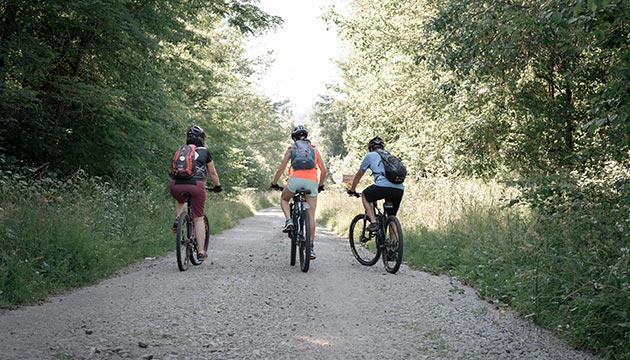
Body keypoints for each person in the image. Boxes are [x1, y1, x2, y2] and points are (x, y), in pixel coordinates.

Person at [271, 125, 327, 260]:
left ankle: (289, 220)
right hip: (312, 181)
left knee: (284, 199)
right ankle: (311, 248)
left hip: (295, 180)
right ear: (306, 137)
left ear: (294, 138)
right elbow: (324, 171)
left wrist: (274, 183)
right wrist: (319, 185)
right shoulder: (314, 149)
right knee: (311, 215)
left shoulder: (292, 149)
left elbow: (281, 169)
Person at [170, 125, 222, 261]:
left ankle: (178, 219)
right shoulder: (204, 151)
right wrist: (218, 186)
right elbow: (213, 173)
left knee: (180, 199)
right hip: (196, 185)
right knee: (198, 218)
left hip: (176, 185)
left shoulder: (181, 150)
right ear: (202, 139)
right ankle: (200, 251)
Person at [347, 136, 404, 231]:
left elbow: (358, 176)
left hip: (382, 187)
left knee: (365, 195)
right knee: (392, 217)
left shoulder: (370, 156)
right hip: (399, 189)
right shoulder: (389, 155)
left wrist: (352, 190)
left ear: (370, 148)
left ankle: (374, 222)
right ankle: (394, 244)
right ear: (382, 147)